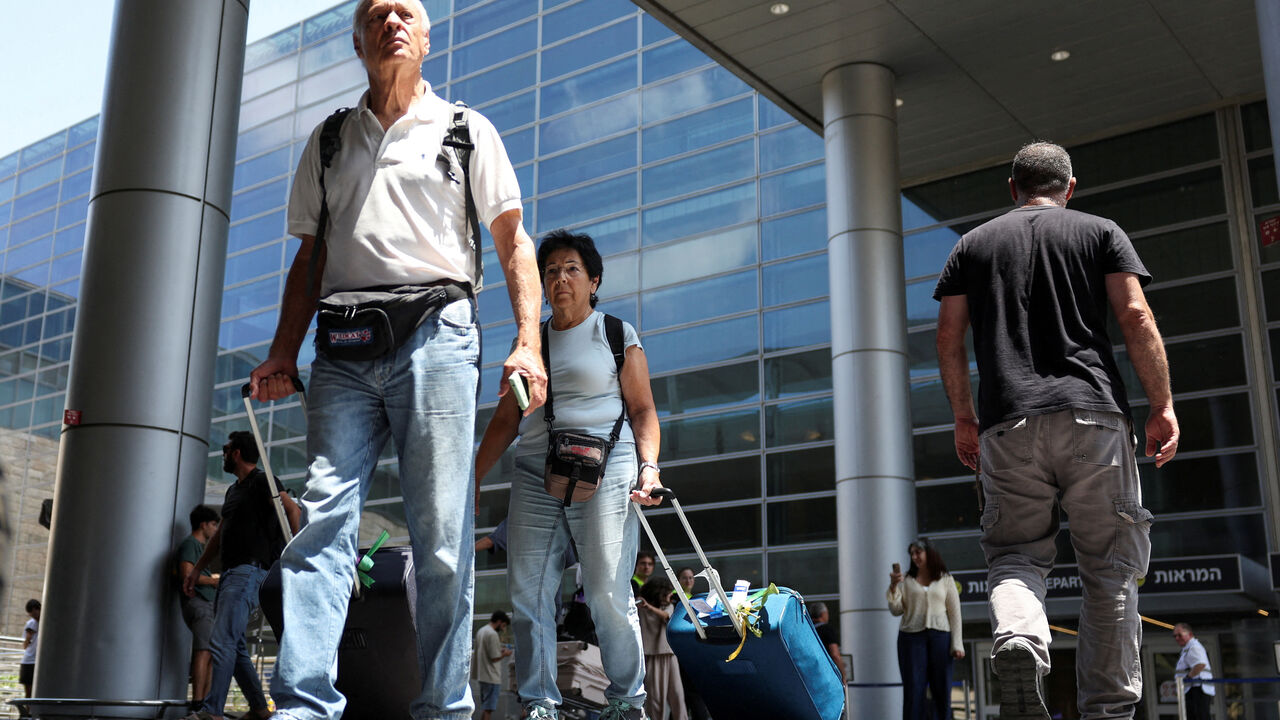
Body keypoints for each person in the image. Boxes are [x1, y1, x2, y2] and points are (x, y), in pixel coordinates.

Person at [248, 1, 547, 718]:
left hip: (437, 336)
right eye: (376, 14)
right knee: (321, 523)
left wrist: (528, 341)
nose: (391, 22)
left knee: (442, 536)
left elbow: (513, 243)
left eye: (404, 11)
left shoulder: (466, 132)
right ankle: (304, 706)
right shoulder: (327, 142)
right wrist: (283, 350)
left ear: (427, 35)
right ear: (356, 40)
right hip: (343, 347)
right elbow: (310, 257)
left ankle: (444, 708)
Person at [934, 141, 1180, 720]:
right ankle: (1109, 710)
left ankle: (1019, 638)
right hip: (1093, 417)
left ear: (1012, 188)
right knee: (1111, 567)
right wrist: (1162, 404)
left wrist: (963, 418)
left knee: (1016, 556)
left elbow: (948, 336)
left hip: (1007, 424)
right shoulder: (1099, 231)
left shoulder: (972, 246)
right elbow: (1136, 315)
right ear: (1070, 188)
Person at [474, 229, 664, 720]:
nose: (560, 277)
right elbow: (505, 420)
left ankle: (627, 700)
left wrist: (649, 468)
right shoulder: (529, 342)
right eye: (551, 270)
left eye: (571, 269)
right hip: (537, 471)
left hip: (608, 467)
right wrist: (471, 478)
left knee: (605, 590)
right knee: (529, 592)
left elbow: (643, 410)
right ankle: (539, 702)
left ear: (593, 281)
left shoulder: (615, 334)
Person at [183, 433, 300, 720]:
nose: (222, 454)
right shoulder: (234, 491)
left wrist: (299, 555)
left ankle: (211, 712)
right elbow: (220, 534)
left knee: (222, 640)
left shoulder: (263, 481)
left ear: (236, 453)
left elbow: (292, 508)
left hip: (250, 571)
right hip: (231, 574)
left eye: (225, 449)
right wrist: (198, 568)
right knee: (233, 644)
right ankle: (260, 708)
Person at [887, 539, 962, 720]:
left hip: (940, 637)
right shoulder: (907, 580)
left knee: (942, 688)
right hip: (911, 638)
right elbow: (896, 609)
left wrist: (957, 643)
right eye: (912, 553)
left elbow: (955, 613)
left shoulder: (946, 579)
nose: (914, 556)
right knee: (914, 688)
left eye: (918, 552)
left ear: (929, 552)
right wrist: (893, 586)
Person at [177, 505, 221, 710]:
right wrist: (213, 581)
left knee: (209, 651)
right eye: (213, 524)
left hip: (206, 604)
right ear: (203, 525)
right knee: (204, 651)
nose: (215, 529)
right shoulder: (190, 544)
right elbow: (186, 574)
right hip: (200, 603)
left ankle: (204, 701)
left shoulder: (197, 547)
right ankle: (197, 701)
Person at [638, 578, 686, 720]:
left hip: (669, 654)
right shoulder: (640, 606)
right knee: (655, 698)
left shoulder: (667, 607)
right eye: (666, 594)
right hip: (652, 655)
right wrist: (644, 605)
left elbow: (666, 616)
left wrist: (648, 607)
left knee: (677, 695)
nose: (669, 597)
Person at [475, 611, 513, 720]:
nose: (503, 629)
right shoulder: (492, 634)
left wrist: (499, 650)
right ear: (500, 621)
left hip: (482, 675)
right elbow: (494, 657)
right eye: (504, 625)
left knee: (485, 707)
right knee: (489, 708)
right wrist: (505, 653)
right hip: (491, 676)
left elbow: (485, 652)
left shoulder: (482, 631)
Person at [1174, 623, 1213, 720]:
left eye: (1180, 635)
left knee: (1198, 715)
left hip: (1197, 688)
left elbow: (1200, 665)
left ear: (1190, 634)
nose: (1177, 638)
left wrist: (1188, 678)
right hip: (1195, 688)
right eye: (1175, 636)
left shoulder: (1194, 647)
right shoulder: (1188, 648)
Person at [810, 602, 847, 687]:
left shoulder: (807, 630)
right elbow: (835, 655)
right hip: (826, 676)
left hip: (810, 674)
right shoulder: (827, 630)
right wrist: (843, 675)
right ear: (823, 614)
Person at [19, 598, 39, 698]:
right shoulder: (30, 624)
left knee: (37, 692)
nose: (34, 617)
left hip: (39, 662)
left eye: (35, 614)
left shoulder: (48, 622)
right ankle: (28, 713)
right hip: (29, 661)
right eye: (31, 615)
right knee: (28, 692)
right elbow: (25, 646)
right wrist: (28, 638)